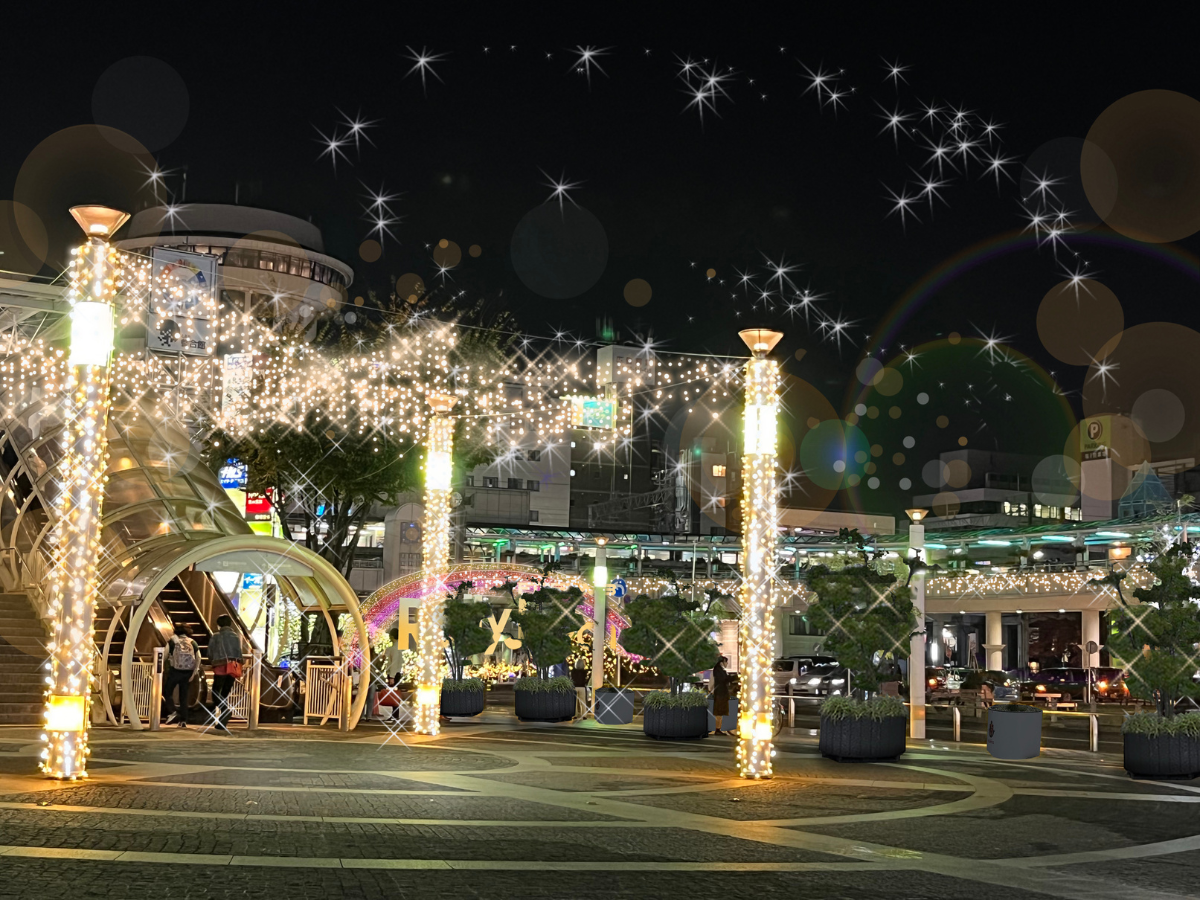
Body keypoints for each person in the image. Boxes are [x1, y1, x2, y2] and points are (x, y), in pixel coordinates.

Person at [208, 615, 245, 733]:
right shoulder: (235, 636)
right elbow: (239, 652)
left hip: (220, 666)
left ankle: (224, 710)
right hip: (233, 667)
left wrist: (212, 661)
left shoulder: (216, 636)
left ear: (219, 625)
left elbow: (210, 652)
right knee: (224, 694)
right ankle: (221, 723)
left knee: (215, 692)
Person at [163, 624, 199, 727]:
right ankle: (183, 720)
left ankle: (173, 711)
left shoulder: (172, 641)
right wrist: (194, 672)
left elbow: (164, 655)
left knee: (167, 692)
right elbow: (198, 657)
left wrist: (161, 668)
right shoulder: (192, 642)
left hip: (175, 671)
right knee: (184, 696)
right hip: (188, 672)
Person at [711, 656, 731, 735]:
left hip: (721, 693)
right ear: (722, 662)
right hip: (720, 693)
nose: (727, 663)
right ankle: (717, 729)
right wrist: (732, 677)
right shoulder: (718, 670)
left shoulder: (719, 670)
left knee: (720, 712)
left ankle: (718, 728)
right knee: (719, 711)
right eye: (726, 662)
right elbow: (723, 679)